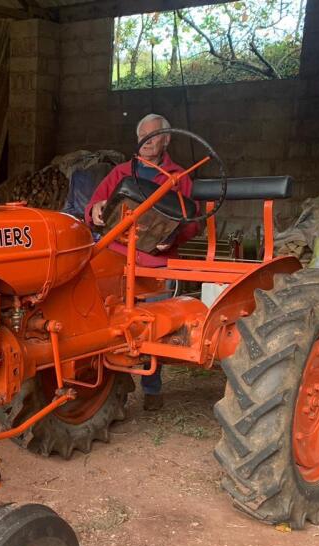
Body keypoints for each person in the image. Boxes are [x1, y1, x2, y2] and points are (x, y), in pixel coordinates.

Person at [85, 113, 200, 411]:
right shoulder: (121, 173)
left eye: (152, 137)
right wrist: (94, 210)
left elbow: (191, 222)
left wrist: (171, 239)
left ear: (166, 139)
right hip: (116, 255)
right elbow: (94, 204)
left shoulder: (179, 177)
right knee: (99, 318)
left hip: (155, 260)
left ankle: (152, 388)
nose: (146, 143)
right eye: (141, 138)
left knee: (153, 327)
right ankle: (102, 386)